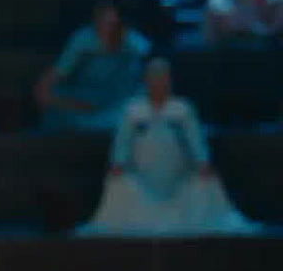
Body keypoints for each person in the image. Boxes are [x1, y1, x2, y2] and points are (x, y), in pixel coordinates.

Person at [76, 58, 260, 236]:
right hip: (142, 174)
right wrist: (118, 161)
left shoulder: (183, 108)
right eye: (154, 78)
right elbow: (122, 141)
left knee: (205, 182)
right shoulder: (132, 109)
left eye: (163, 78)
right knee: (118, 182)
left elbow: (195, 139)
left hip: (178, 174)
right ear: (146, 80)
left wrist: (203, 161)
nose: (159, 83)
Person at [35, 0, 151, 131]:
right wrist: (47, 92)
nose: (107, 29)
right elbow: (55, 76)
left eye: (112, 24)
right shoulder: (82, 40)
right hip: (85, 100)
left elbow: (151, 76)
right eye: (102, 21)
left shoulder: (136, 43)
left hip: (118, 102)